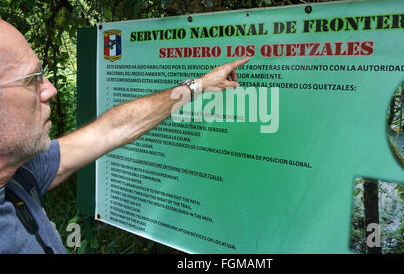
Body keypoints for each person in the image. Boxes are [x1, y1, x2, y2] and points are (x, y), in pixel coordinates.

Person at [0, 19, 250, 253]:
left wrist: (199, 85)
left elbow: (113, 129)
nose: (50, 90)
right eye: (32, 80)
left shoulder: (21, 174)